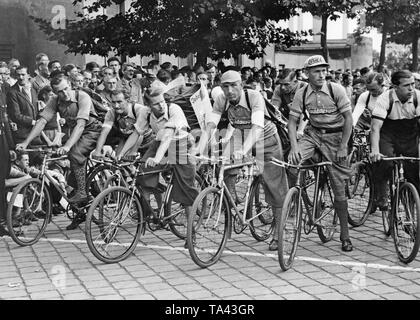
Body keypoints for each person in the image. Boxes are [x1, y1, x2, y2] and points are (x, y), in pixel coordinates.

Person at [197, 70, 289, 251]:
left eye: (233, 85)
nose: (229, 90)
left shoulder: (254, 96)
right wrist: (199, 150)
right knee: (223, 166)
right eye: (225, 86)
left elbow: (256, 127)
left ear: (241, 84)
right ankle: (233, 207)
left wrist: (243, 151)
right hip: (240, 136)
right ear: (220, 86)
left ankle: (279, 233)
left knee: (275, 188)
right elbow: (210, 126)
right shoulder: (221, 100)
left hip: (266, 139)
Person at [16, 77, 102, 230]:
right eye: (60, 92)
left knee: (74, 154)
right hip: (75, 132)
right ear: (55, 93)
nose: (65, 94)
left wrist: (68, 146)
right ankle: (80, 211)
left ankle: (83, 192)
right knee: (71, 174)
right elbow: (42, 122)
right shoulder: (55, 101)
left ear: (70, 85)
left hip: (91, 130)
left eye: (66, 89)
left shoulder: (82, 96)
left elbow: (81, 124)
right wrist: (25, 143)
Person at [287, 55, 354, 252]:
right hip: (313, 135)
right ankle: (299, 201)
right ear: (307, 74)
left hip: (335, 137)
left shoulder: (336, 89)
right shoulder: (302, 92)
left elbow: (348, 119)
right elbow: (292, 122)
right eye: (316, 71)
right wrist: (294, 146)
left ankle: (345, 235)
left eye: (324, 70)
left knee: (338, 186)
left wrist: (343, 146)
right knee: (292, 164)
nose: (321, 74)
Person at [370, 70, 420, 213]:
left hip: (410, 135)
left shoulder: (418, 97)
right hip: (388, 135)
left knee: (414, 174)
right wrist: (375, 151)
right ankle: (381, 193)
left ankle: (411, 210)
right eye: (406, 86)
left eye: (412, 84)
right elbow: (375, 127)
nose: (411, 88)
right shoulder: (385, 99)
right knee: (384, 162)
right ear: (395, 87)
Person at [92, 89, 155, 160]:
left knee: (144, 166)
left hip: (147, 140)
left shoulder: (139, 109)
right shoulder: (111, 113)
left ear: (127, 100)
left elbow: (138, 133)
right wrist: (97, 151)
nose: (116, 106)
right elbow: (104, 132)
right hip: (127, 139)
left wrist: (125, 153)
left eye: (119, 102)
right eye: (113, 102)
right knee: (118, 161)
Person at [6, 66, 41, 145]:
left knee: (37, 156)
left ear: (28, 75)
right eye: (18, 75)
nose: (20, 77)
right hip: (22, 134)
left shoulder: (33, 89)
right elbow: (15, 115)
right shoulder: (12, 92)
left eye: (23, 74)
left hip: (35, 134)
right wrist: (33, 122)